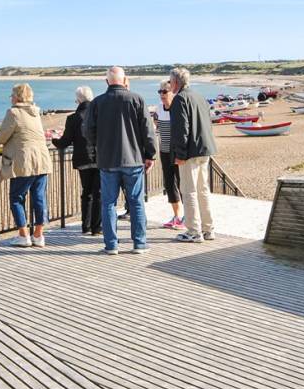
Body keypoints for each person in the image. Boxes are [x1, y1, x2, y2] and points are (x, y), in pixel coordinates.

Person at [84, 66, 156, 255]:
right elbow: (148, 130)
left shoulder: (97, 102)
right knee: (136, 202)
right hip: (133, 159)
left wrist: (99, 146)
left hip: (107, 160)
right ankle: (139, 243)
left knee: (108, 203)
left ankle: (111, 245)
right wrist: (150, 155)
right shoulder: (136, 99)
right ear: (125, 80)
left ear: (106, 81)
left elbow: (88, 131)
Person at [0, 83, 53, 248]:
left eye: (12, 95)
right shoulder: (35, 112)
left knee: (16, 197)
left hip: (25, 162)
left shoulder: (14, 112)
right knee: (39, 197)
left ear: (17, 97)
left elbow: (1, 136)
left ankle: (23, 235)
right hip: (42, 160)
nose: (10, 98)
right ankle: (38, 235)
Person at [168, 67, 217, 243]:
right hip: (205, 149)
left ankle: (194, 231)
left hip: (190, 152)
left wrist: (180, 154)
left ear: (175, 82)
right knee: (203, 190)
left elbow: (181, 130)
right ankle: (208, 229)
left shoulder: (180, 99)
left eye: (170, 82)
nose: (169, 85)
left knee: (189, 191)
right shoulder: (199, 97)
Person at [52, 86, 101, 236]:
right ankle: (96, 227)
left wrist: (54, 140)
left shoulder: (73, 118)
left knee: (87, 192)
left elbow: (65, 141)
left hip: (83, 159)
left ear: (78, 100)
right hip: (100, 158)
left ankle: (86, 226)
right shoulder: (100, 114)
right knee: (98, 193)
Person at [154, 79, 183, 229]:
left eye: (165, 91)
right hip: (164, 151)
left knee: (182, 184)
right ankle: (177, 216)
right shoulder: (159, 108)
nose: (162, 94)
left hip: (177, 152)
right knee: (169, 184)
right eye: (160, 91)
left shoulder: (177, 108)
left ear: (172, 92)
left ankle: (187, 217)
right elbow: (156, 126)